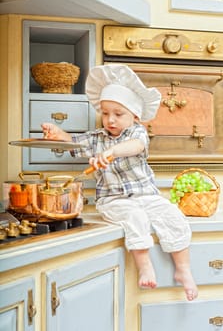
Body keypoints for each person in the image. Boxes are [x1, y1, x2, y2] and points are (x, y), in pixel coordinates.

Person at [42, 64, 198, 301]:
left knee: (173, 215)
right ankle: (144, 264)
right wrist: (58, 135)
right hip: (113, 200)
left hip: (147, 195)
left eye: (118, 113)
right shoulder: (96, 138)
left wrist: (113, 152)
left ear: (135, 116)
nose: (110, 120)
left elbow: (134, 147)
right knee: (135, 216)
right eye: (105, 113)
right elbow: (73, 143)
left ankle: (183, 269)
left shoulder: (137, 133)